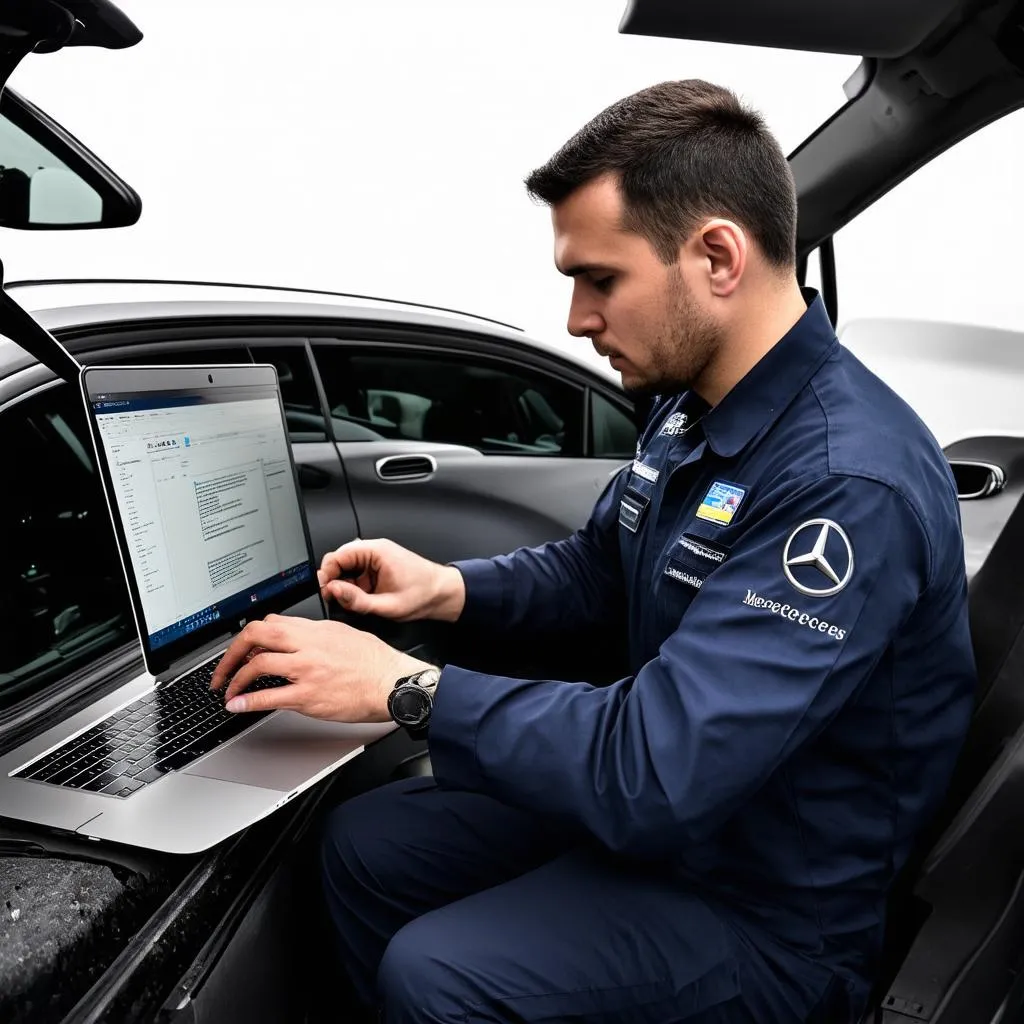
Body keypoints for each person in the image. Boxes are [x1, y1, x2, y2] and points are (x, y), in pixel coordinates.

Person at [210, 80, 977, 1023]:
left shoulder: (845, 483)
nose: (576, 317)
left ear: (717, 258)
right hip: (686, 835)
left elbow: (659, 769)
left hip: (772, 909)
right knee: (365, 845)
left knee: (441, 973)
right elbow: (599, 566)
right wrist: (447, 588)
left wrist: (406, 689)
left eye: (600, 278)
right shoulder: (695, 408)